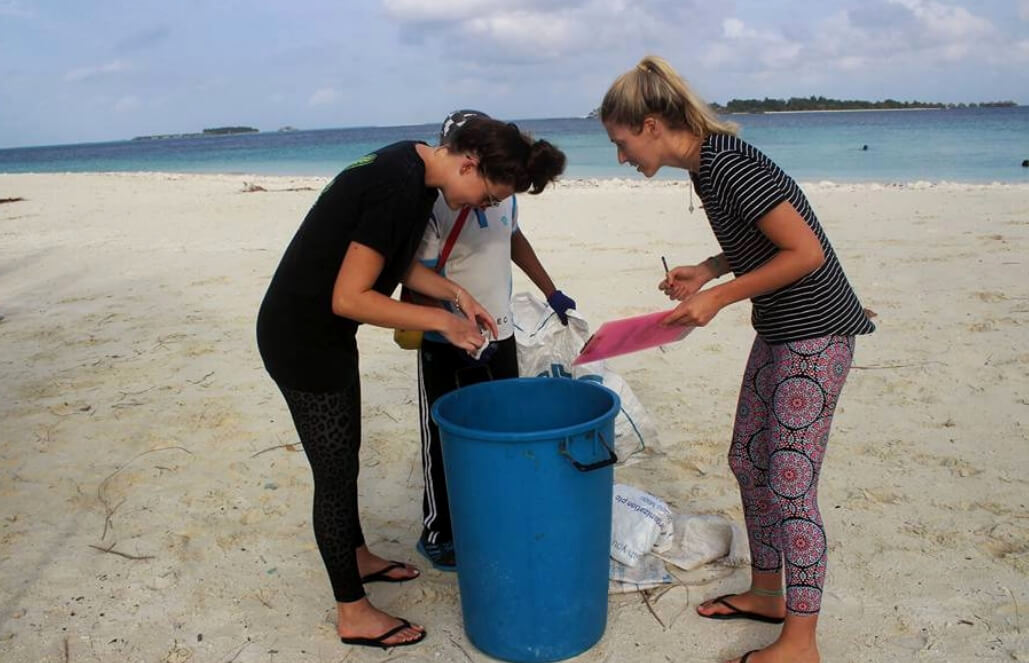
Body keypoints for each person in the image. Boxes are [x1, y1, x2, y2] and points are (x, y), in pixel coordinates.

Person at [600, 56, 875, 663]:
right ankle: (768, 592)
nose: (621, 157)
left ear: (650, 125)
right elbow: (759, 239)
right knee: (747, 460)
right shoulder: (706, 168)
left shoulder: (727, 162)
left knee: (791, 484)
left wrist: (717, 297)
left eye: (620, 143)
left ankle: (801, 642)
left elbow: (804, 251)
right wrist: (711, 267)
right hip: (780, 327)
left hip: (819, 330)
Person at [256, 119, 566, 649]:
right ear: (469, 161)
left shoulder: (410, 165)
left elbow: (395, 263)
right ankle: (353, 613)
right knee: (334, 473)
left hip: (320, 333)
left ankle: (356, 556)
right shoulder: (397, 185)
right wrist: (444, 322)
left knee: (344, 457)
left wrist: (453, 294)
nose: (485, 208)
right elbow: (349, 298)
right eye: (487, 195)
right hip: (302, 337)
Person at [413, 110, 572, 570]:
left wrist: (550, 290)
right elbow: (420, 275)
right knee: (443, 437)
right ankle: (438, 531)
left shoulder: (505, 196)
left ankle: (491, 515)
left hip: (500, 334)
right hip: (448, 339)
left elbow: (514, 240)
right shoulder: (437, 201)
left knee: (501, 431)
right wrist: (447, 320)